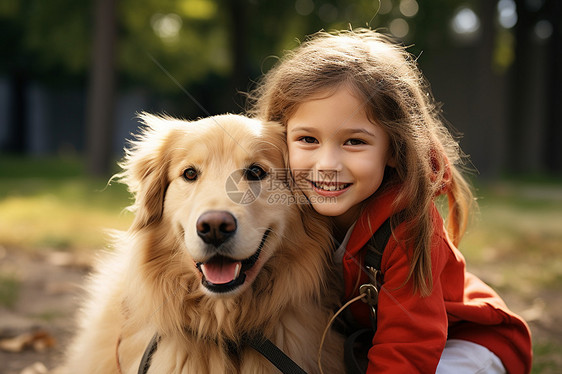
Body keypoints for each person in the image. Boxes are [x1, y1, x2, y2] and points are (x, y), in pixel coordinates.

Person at [249, 29, 532, 373]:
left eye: (354, 142)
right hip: (368, 342)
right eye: (308, 139)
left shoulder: (408, 229)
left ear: (395, 151)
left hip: (463, 342)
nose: (327, 164)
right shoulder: (288, 209)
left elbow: (409, 348)